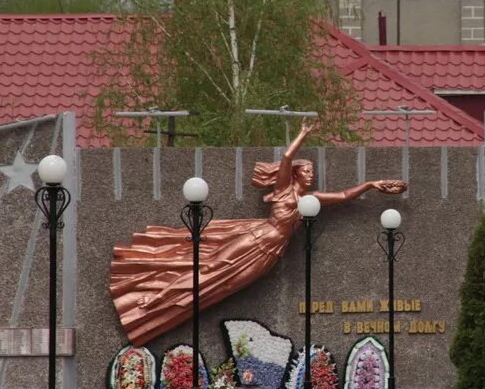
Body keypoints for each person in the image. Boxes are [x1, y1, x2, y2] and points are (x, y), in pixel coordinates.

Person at [109, 119, 405, 346]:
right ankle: (153, 298)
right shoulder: (283, 190)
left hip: (270, 255)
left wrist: (370, 184)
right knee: (209, 268)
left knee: (219, 287)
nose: (311, 174)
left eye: (312, 171)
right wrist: (302, 134)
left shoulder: (309, 201)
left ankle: (157, 306)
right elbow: (287, 158)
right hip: (258, 239)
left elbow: (342, 196)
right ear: (297, 173)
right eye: (307, 170)